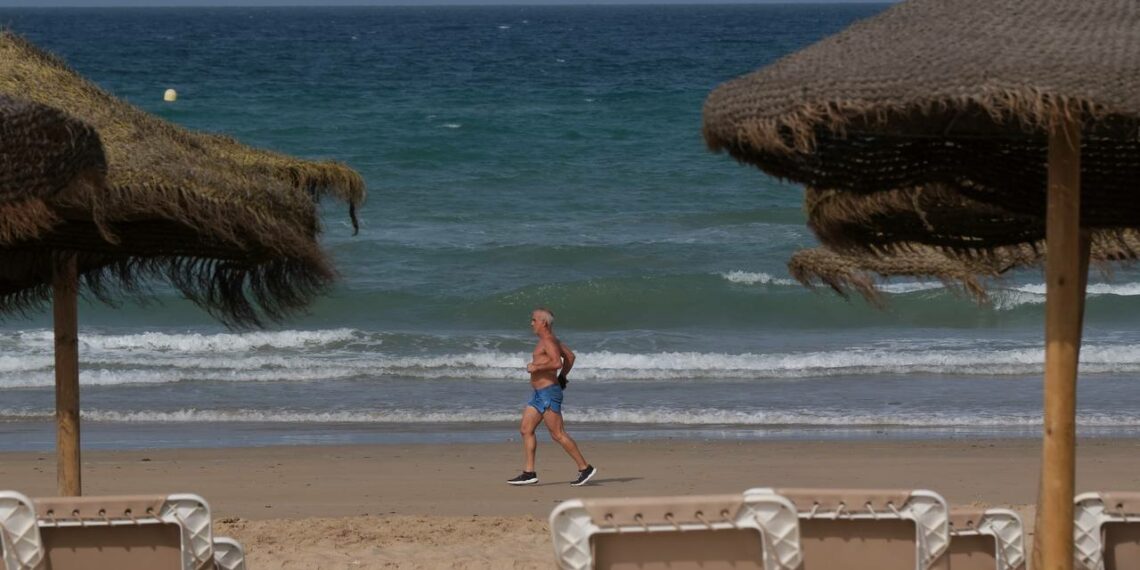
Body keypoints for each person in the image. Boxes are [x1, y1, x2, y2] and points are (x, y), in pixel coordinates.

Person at [506, 307, 597, 486]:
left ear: (544, 323)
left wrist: (536, 367)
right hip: (539, 394)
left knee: (557, 434)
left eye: (534, 320)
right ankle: (529, 473)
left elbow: (557, 362)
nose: (531, 323)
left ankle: (585, 468)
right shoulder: (551, 340)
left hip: (548, 393)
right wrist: (563, 377)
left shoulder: (548, 340)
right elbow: (570, 356)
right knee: (526, 429)